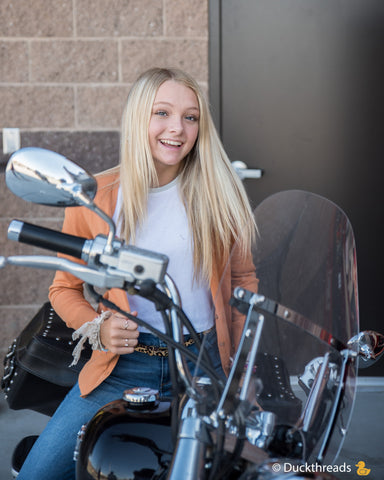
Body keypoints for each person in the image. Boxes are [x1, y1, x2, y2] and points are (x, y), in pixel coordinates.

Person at [17, 67, 258, 479]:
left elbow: (243, 283)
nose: (177, 129)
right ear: (138, 118)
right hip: (122, 367)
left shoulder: (220, 192)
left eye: (190, 117)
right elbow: (65, 288)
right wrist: (98, 327)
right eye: (161, 113)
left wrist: (243, 369)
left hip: (204, 364)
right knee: (39, 473)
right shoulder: (96, 196)